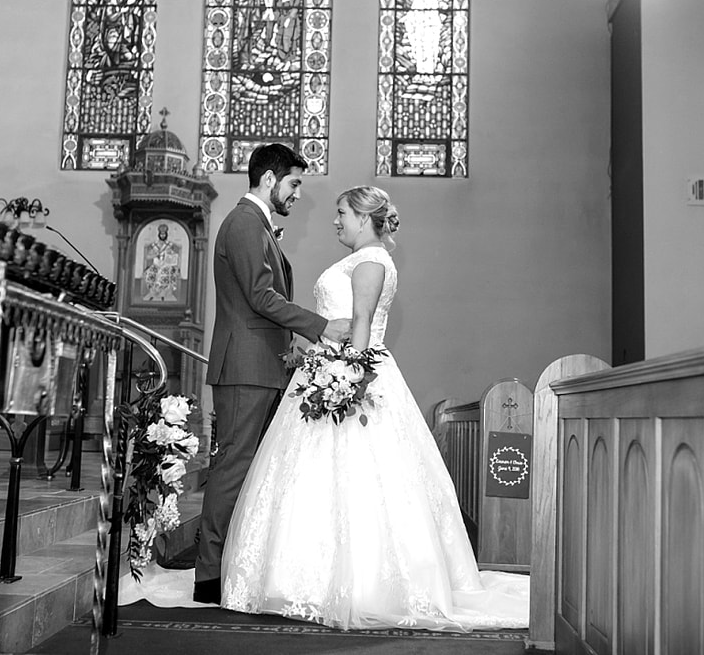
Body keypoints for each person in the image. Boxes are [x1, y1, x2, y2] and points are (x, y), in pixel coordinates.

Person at [219, 186, 529, 631]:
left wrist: (346, 380)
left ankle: (352, 585)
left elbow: (361, 322)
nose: (336, 220)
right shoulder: (367, 257)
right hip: (334, 366)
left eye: (342, 212)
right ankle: (304, 580)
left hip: (353, 374)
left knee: (355, 480)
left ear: (365, 219)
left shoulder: (370, 261)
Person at [194, 143, 351, 604]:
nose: (298, 193)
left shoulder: (257, 225)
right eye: (295, 183)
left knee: (248, 469)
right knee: (232, 467)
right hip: (245, 367)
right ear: (269, 179)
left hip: (260, 364)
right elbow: (261, 297)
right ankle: (208, 576)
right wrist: (322, 327)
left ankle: (231, 566)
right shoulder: (244, 223)